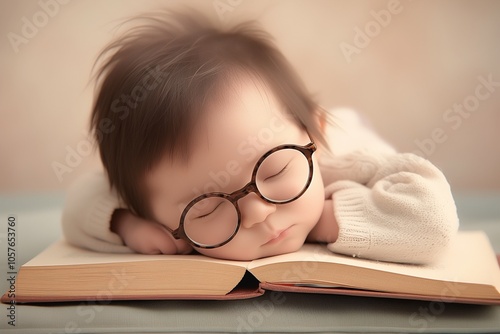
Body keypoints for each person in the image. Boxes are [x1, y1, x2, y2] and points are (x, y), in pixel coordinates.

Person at [62, 11, 459, 264]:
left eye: (275, 172)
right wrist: (129, 224)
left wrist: (326, 218)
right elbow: (80, 201)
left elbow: (434, 222)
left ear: (311, 135)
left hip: (346, 129)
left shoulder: (340, 161)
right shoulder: (157, 197)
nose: (258, 213)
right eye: (206, 208)